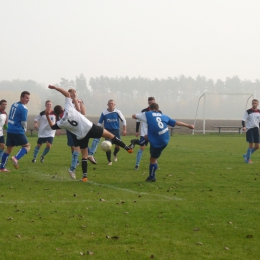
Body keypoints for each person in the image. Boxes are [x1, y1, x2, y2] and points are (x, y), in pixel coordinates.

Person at [46, 85, 133, 182]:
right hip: (90, 127)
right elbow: (67, 95)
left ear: (57, 114)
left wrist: (47, 115)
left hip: (81, 136)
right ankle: (127, 148)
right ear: (63, 109)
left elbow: (52, 127)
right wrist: (55, 88)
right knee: (111, 136)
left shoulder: (61, 123)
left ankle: (85, 177)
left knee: (84, 156)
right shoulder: (69, 108)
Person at [132, 103, 194, 182]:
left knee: (152, 159)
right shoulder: (163, 116)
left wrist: (137, 115)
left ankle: (152, 177)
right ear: (158, 109)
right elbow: (176, 122)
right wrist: (188, 125)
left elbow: (134, 116)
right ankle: (138, 143)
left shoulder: (147, 114)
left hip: (158, 140)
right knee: (146, 137)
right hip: (165, 138)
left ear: (150, 109)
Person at [90, 100, 127, 165]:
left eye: (112, 104)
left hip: (116, 131)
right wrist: (98, 132)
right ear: (107, 104)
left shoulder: (118, 112)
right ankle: (109, 161)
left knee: (118, 147)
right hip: (107, 131)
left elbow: (123, 120)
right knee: (107, 146)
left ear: (114, 104)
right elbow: (99, 123)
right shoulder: (104, 113)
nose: (111, 105)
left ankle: (115, 154)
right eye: (109, 104)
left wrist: (124, 130)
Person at [0, 91, 31, 172]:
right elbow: (24, 122)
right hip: (17, 130)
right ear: (22, 97)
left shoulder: (14, 104)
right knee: (27, 146)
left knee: (8, 149)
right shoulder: (24, 108)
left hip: (10, 130)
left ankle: (2, 168)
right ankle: (16, 158)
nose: (28, 100)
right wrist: (24, 130)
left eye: (29, 98)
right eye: (26, 98)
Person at [131, 97, 162, 170]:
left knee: (154, 149)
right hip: (144, 134)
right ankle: (137, 164)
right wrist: (137, 131)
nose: (151, 103)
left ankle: (155, 165)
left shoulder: (159, 112)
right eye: (150, 102)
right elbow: (138, 120)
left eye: (152, 102)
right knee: (142, 147)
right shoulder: (144, 111)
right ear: (148, 103)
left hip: (154, 134)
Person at [242, 99, 260, 164]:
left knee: (257, 146)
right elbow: (243, 120)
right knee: (251, 144)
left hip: (256, 129)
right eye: (253, 103)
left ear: (258, 104)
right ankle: (248, 159)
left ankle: (246, 155)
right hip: (250, 129)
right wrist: (244, 126)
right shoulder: (248, 111)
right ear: (251, 104)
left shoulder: (259, 112)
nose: (254, 104)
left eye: (255, 103)